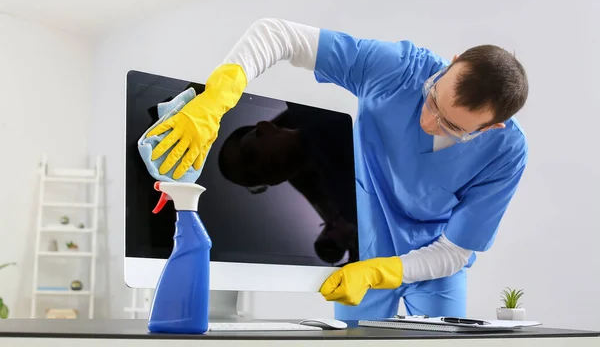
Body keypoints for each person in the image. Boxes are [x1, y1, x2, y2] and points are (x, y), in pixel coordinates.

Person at [147, 18, 529, 320]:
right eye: (432, 99)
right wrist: (216, 99)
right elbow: (277, 34)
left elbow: (456, 251)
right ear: (453, 62)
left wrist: (381, 272)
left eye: (452, 127)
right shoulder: (397, 69)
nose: (428, 121)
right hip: (362, 251)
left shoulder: (506, 152)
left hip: (433, 266)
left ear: (491, 127)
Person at [217, 104, 359, 265]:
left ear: (265, 127)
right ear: (274, 182)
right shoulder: (348, 200)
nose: (259, 168)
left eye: (250, 155)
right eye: (255, 178)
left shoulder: (310, 103)